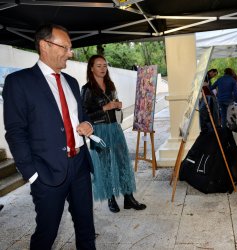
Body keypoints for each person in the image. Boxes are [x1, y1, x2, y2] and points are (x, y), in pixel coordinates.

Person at [2, 24, 96, 249]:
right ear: (44, 45)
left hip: (80, 166)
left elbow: (81, 118)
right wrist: (31, 174)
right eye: (65, 47)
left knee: (86, 228)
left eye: (71, 48)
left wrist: (87, 125)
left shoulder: (72, 82)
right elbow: (15, 132)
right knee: (46, 233)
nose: (70, 53)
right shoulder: (19, 83)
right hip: (46, 172)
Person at [81, 55, 146, 213]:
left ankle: (128, 197)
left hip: (115, 128)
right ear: (91, 68)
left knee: (123, 161)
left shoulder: (110, 85)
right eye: (99, 66)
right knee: (105, 165)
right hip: (99, 130)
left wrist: (117, 105)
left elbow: (112, 104)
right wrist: (105, 108)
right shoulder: (87, 89)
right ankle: (110, 198)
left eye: (105, 65)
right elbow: (84, 115)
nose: (103, 68)